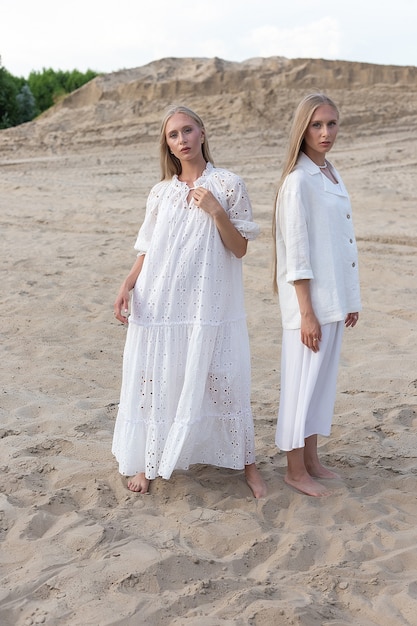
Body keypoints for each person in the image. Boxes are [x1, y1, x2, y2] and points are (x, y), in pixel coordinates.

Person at [112, 105, 267, 498]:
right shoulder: (161, 192)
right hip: (160, 299)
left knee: (224, 377)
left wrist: (216, 211)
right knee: (157, 376)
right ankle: (149, 463)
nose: (181, 140)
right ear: (167, 143)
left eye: (187, 131)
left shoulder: (230, 184)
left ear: (202, 132)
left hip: (209, 304)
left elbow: (239, 249)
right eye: (172, 135)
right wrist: (128, 283)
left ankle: (249, 465)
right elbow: (147, 247)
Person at [273, 93, 361, 497]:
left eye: (332, 124)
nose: (326, 133)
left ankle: (311, 459)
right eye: (317, 125)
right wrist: (306, 312)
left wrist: (350, 299)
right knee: (301, 386)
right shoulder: (297, 182)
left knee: (320, 385)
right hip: (309, 306)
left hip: (333, 300)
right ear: (303, 130)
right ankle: (294, 470)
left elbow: (340, 242)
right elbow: (297, 251)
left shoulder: (329, 173)